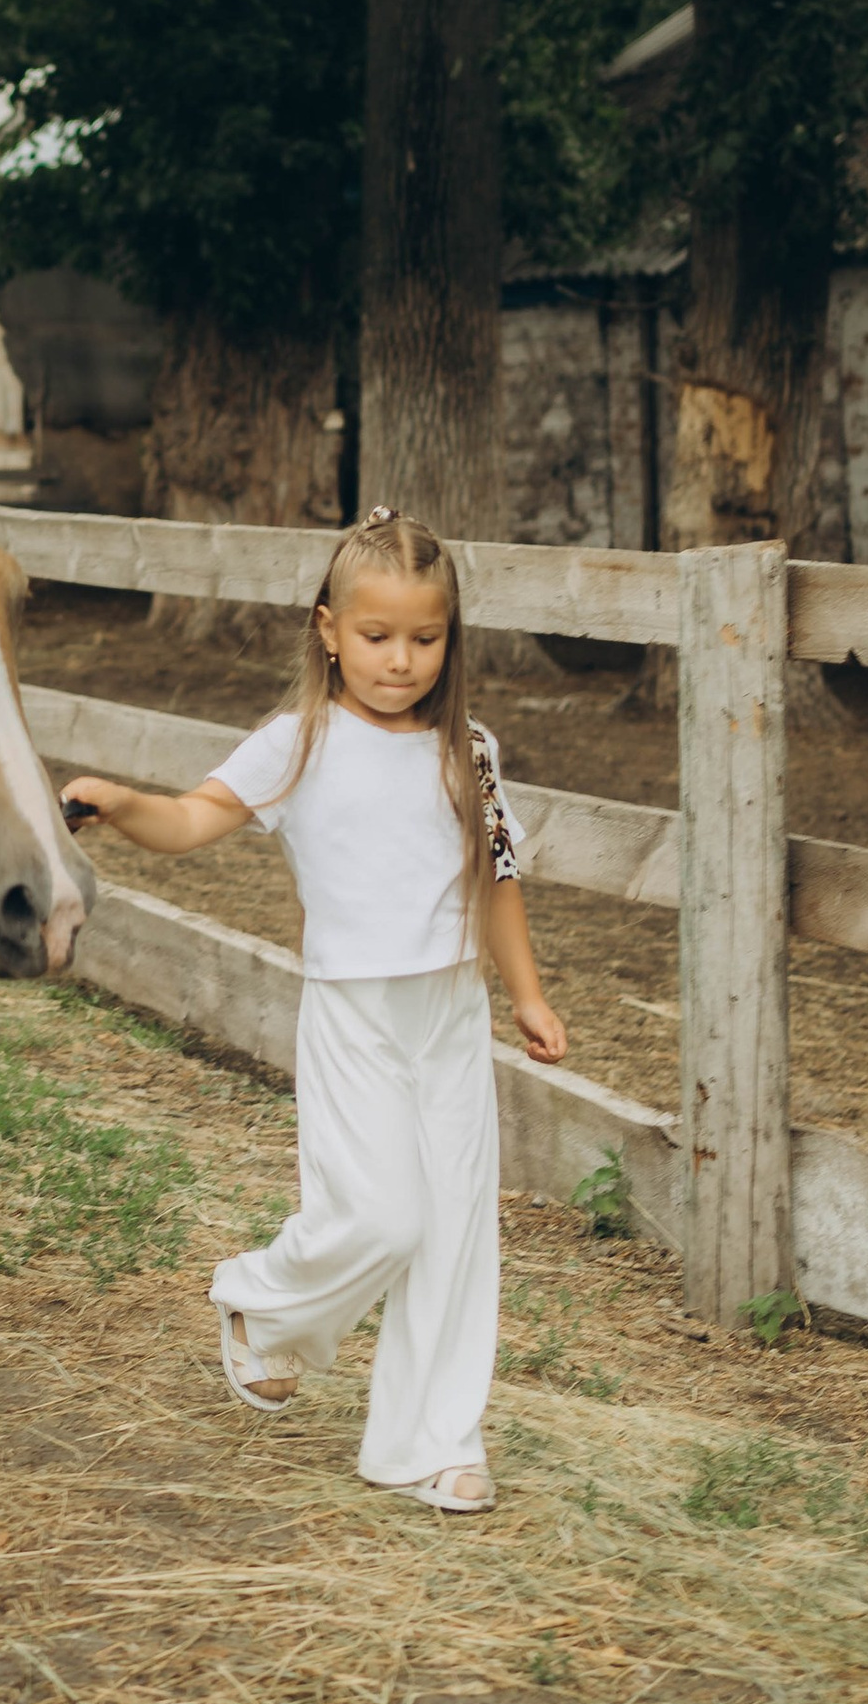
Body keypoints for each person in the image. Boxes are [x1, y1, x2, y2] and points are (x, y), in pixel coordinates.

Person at [63, 510, 567, 1515]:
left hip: (450, 1012)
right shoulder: (296, 743)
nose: (400, 660)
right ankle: (262, 1309)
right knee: (380, 1216)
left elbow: (498, 874)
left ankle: (433, 1443)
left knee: (455, 1234)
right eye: (376, 637)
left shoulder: (470, 750)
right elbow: (194, 819)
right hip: (354, 1015)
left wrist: (527, 991)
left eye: (425, 639)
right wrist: (122, 804)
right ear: (327, 629)